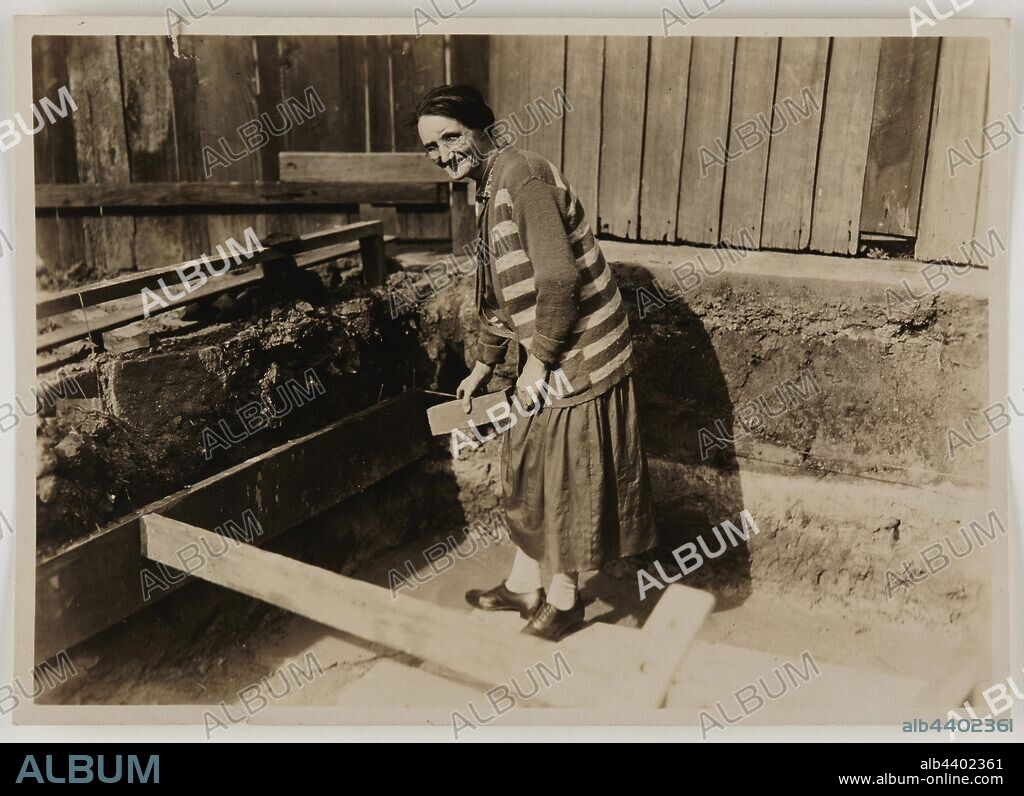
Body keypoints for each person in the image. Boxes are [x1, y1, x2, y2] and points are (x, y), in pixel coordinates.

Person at [414, 84, 658, 641]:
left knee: (561, 475)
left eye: (451, 136)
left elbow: (558, 279)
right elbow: (503, 293)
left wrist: (537, 363)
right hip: (553, 349)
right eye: (432, 147)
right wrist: (482, 366)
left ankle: (566, 600)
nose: (444, 153)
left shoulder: (521, 178)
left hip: (584, 352)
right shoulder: (487, 188)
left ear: (484, 130)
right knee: (524, 462)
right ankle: (526, 583)